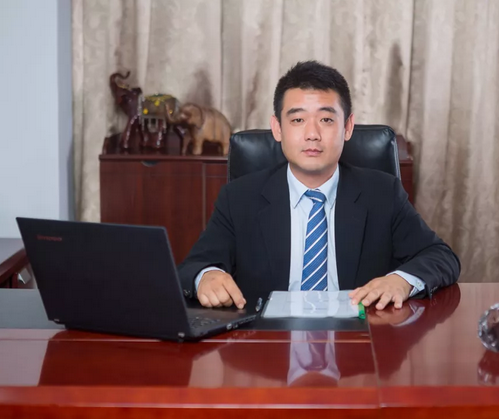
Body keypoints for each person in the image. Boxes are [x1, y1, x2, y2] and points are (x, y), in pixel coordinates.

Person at [177, 61, 460, 310]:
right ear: (277, 128)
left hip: (359, 341)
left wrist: (401, 281)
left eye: (326, 119)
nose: (312, 134)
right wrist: (207, 276)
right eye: (298, 120)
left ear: (347, 127)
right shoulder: (239, 198)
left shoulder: (382, 193)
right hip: (269, 342)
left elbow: (441, 256)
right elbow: (192, 267)